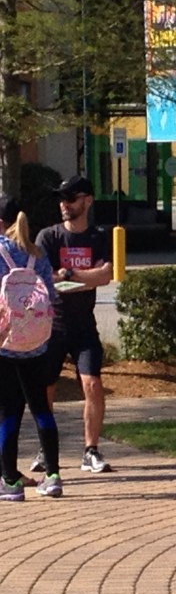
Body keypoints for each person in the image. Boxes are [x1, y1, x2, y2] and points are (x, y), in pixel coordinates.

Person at [32, 176, 113, 474]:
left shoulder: (98, 237)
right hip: (51, 326)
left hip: (84, 328)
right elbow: (43, 278)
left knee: (92, 384)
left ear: (87, 200)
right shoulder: (48, 236)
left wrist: (71, 275)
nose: (64, 204)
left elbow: (105, 275)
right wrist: (82, 277)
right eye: (61, 199)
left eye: (70, 198)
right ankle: (46, 449)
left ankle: (91, 450)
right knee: (45, 388)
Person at [0, 205, 64, 501]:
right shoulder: (37, 253)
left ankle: (10, 480)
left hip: (5, 344)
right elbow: (51, 294)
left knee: (8, 411)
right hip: (36, 344)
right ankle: (53, 476)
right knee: (41, 409)